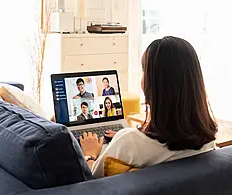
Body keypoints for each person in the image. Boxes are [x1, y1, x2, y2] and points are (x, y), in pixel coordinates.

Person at [79, 36, 218, 178]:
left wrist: (89, 154)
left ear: (152, 83)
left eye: (144, 70)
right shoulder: (209, 143)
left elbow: (92, 181)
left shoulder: (128, 143)